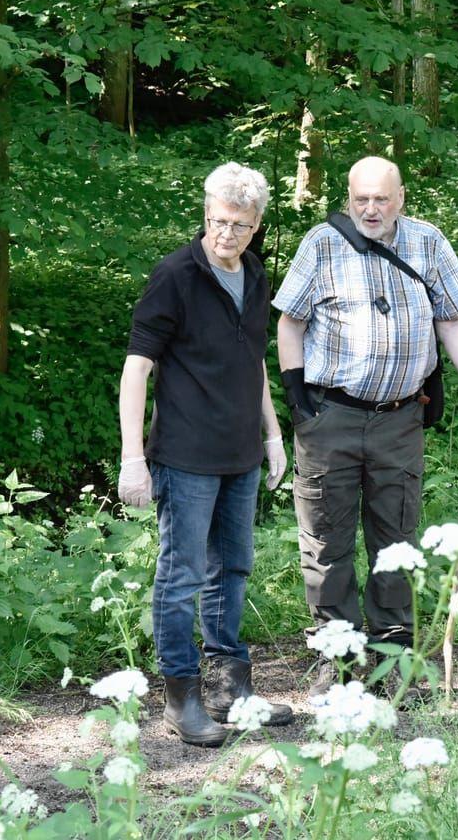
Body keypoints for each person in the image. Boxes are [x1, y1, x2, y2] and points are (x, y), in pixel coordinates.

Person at [273, 156, 458, 696]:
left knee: (396, 535)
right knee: (325, 538)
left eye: (381, 199)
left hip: (401, 417)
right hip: (331, 415)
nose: (370, 209)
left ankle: (395, 650)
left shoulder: (428, 243)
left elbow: (450, 317)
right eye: (360, 200)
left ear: (401, 198)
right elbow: (289, 320)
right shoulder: (321, 244)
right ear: (348, 198)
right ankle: (336, 652)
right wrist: (298, 399)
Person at [117, 162, 294, 747]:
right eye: (218, 221)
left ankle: (231, 690)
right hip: (184, 455)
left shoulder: (257, 273)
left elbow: (255, 362)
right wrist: (132, 457)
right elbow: (137, 368)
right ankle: (181, 698)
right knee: (182, 576)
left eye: (239, 226)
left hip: (241, 453)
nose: (226, 235)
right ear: (205, 214)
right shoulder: (174, 276)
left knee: (233, 569)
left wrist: (272, 436)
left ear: (256, 224)